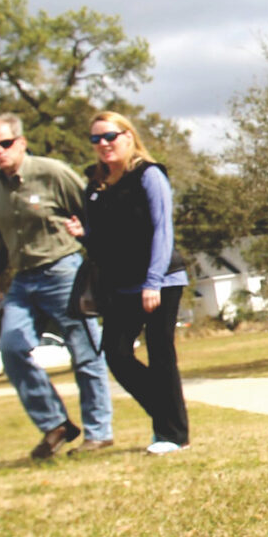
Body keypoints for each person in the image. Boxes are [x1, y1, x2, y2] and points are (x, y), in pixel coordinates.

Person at [0, 112, 114, 459]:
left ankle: (99, 433)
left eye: (5, 143)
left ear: (21, 142)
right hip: (22, 280)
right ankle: (55, 424)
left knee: (86, 354)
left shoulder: (52, 173)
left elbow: (94, 211)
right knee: (10, 349)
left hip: (63, 271)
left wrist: (96, 249)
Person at [72, 110, 191, 454]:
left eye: (110, 136)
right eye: (96, 139)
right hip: (121, 284)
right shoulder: (95, 185)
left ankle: (171, 435)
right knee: (116, 353)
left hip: (160, 279)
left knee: (160, 353)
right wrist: (83, 235)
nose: (104, 144)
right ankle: (169, 416)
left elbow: (162, 230)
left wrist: (153, 281)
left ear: (128, 136)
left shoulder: (149, 175)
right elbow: (102, 243)